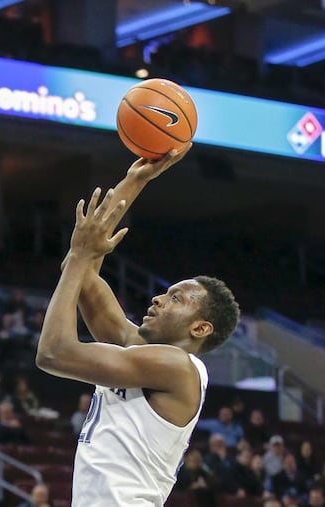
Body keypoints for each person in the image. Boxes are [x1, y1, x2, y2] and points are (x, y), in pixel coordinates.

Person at [35, 147, 241, 507]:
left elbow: (53, 352)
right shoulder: (141, 354)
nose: (159, 299)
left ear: (200, 328)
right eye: (165, 293)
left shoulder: (179, 368)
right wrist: (135, 180)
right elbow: (79, 273)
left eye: (176, 299)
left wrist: (82, 255)